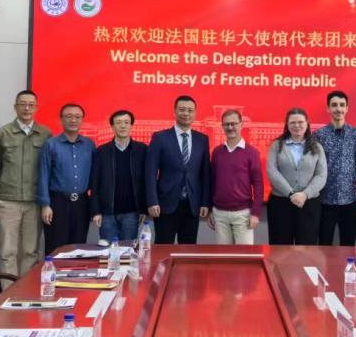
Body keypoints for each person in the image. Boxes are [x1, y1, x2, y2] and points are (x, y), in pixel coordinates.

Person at [0, 90, 52, 279]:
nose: (26, 108)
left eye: (31, 105)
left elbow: (49, 171)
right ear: (15, 107)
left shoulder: (45, 134)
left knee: (31, 252)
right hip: (8, 201)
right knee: (8, 252)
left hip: (34, 202)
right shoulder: (3, 133)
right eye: (22, 104)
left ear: (36, 108)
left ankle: (25, 291)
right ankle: (9, 292)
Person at [145, 95, 211, 244]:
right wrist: (152, 201)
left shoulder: (202, 139)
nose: (186, 113)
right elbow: (150, 173)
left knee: (188, 251)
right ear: (174, 112)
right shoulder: (160, 137)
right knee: (163, 249)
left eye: (190, 110)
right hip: (165, 205)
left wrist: (205, 202)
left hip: (192, 205)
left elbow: (205, 174)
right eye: (182, 109)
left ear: (195, 113)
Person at [37, 103, 96, 251]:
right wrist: (45, 205)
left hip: (82, 204)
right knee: (56, 247)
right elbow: (43, 175)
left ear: (82, 120)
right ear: (61, 119)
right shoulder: (51, 144)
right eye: (68, 116)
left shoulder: (89, 144)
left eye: (77, 117)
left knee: (79, 248)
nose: (73, 120)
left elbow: (95, 176)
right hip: (57, 204)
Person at [266, 108, 327, 245]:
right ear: (287, 125)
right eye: (292, 122)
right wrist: (291, 193)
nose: (297, 125)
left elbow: (321, 175)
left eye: (300, 122)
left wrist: (305, 194)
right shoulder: (276, 145)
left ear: (307, 123)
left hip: (309, 203)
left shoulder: (317, 147)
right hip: (280, 203)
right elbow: (272, 171)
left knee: (306, 248)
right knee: (280, 248)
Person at [314, 90, 356, 246]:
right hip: (325, 200)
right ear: (328, 108)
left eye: (342, 105)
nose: (338, 109)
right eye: (334, 105)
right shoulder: (318, 135)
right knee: (324, 246)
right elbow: (315, 165)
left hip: (349, 200)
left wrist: (346, 179)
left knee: (348, 246)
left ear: (347, 108)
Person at [90, 109, 149, 243]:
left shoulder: (142, 150)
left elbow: (147, 181)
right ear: (112, 126)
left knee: (128, 250)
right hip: (107, 213)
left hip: (132, 213)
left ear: (131, 126)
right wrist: (96, 211)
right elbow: (95, 183)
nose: (123, 126)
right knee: (107, 250)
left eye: (126, 122)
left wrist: (144, 209)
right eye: (118, 122)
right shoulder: (102, 151)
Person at [208, 109, 264, 246]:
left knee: (244, 256)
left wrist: (255, 213)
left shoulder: (252, 152)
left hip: (243, 214)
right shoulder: (217, 152)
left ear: (241, 125)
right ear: (222, 126)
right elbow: (211, 182)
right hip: (219, 214)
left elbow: (258, 184)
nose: (230, 127)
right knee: (223, 256)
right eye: (226, 124)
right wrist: (210, 209)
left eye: (233, 123)